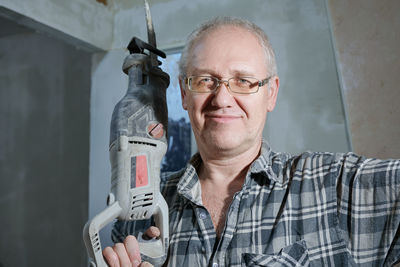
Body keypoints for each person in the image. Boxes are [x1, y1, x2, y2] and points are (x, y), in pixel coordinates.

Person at [103, 17, 400, 267]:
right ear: (183, 92)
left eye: (243, 81)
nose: (221, 99)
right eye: (206, 80)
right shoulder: (138, 211)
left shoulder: (334, 186)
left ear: (271, 93)